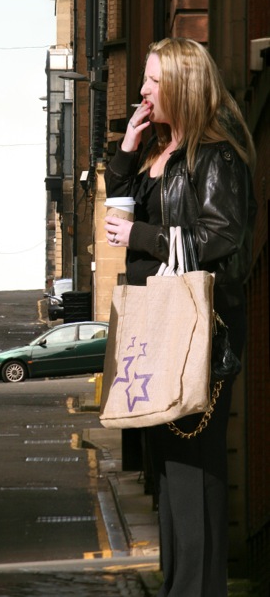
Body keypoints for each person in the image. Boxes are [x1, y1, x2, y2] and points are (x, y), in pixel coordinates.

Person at [104, 37, 256, 596]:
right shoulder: (160, 154)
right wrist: (127, 147)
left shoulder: (215, 155)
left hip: (199, 332)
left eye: (151, 81)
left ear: (182, 86)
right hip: (158, 329)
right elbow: (121, 210)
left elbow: (222, 235)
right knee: (168, 474)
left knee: (192, 470)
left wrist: (144, 235)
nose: (142, 91)